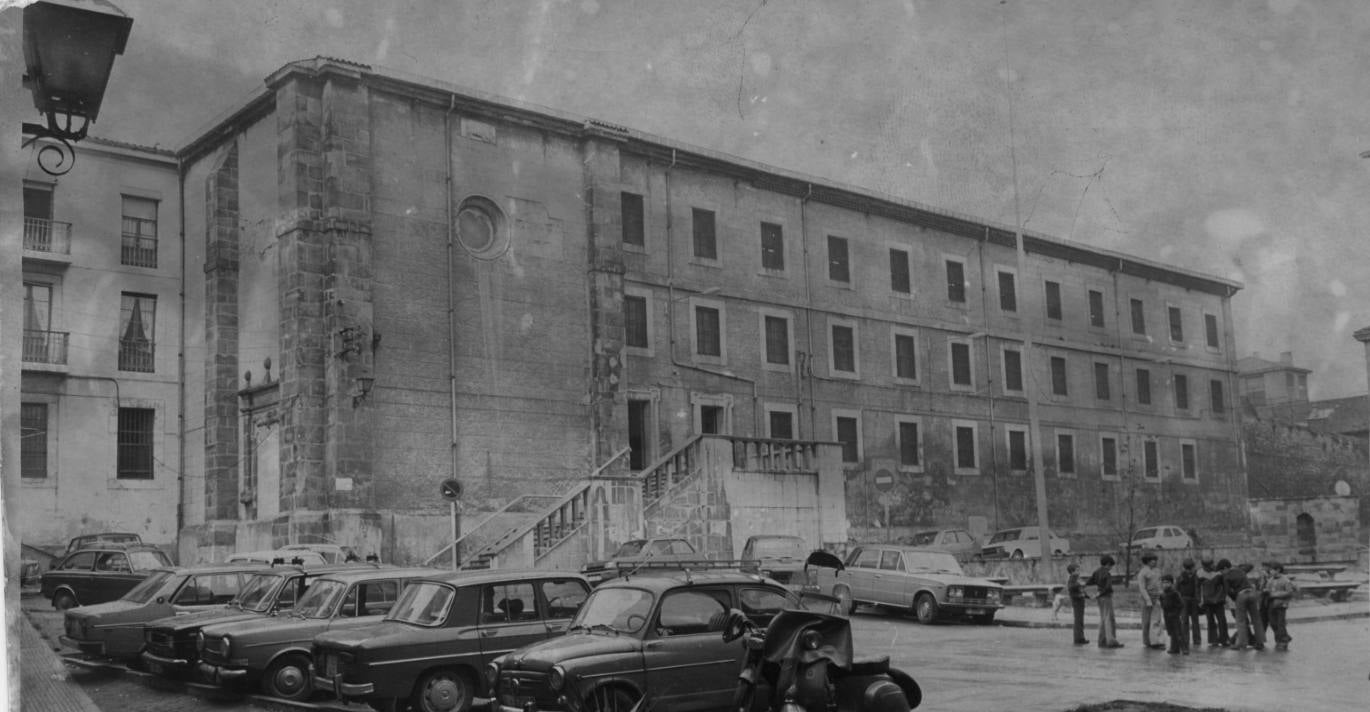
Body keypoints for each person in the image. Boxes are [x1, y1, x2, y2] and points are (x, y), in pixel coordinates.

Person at [1226, 562, 1266, 651]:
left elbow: (1228, 590)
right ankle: (1260, 642)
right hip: (1252, 593)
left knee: (1241, 621)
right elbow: (1250, 565)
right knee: (1256, 619)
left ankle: (1242, 644)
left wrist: (1235, 598)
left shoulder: (1227, 575)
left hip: (1240, 595)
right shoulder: (1241, 572)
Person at [1085, 555, 1123, 648]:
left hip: (1100, 598)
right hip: (1106, 597)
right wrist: (1100, 592)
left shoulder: (1096, 572)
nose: (1111, 568)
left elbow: (1089, 582)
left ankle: (1102, 641)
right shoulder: (1107, 573)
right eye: (1111, 566)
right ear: (1108, 564)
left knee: (1103, 619)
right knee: (1109, 619)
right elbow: (1108, 587)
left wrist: (1096, 593)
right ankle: (1110, 641)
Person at [1136, 553, 1166, 650]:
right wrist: (1147, 600)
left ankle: (1156, 642)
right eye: (1153, 560)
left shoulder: (1157, 571)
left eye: (1155, 560)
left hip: (1156, 598)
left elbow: (1159, 584)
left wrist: (1161, 594)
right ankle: (1147, 641)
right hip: (1146, 599)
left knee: (1156, 620)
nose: (1155, 562)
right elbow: (1142, 588)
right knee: (1146, 621)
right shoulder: (1143, 573)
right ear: (1148, 561)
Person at [1265, 562, 1296, 651]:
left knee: (1280, 623)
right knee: (1272, 623)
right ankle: (1282, 638)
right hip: (1271, 604)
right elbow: (1268, 589)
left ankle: (1282, 641)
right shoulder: (1270, 580)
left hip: (1281, 604)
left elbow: (1289, 592)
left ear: (1278, 570)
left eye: (1272, 570)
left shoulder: (1285, 580)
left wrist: (1275, 594)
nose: (1270, 571)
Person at [1200, 558, 1230, 647]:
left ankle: (1224, 639)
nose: (1211, 566)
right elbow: (1197, 587)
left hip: (1218, 600)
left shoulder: (1219, 573)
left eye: (1211, 564)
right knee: (1210, 620)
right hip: (1207, 601)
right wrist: (1199, 599)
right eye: (1207, 565)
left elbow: (1225, 586)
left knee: (1222, 620)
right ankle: (1213, 640)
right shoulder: (1200, 573)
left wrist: (1224, 597)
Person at [1160, 574, 1189, 655]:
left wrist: (1176, 613)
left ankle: (1184, 649)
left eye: (1167, 582)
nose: (1165, 584)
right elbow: (1163, 604)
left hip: (1175, 616)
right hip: (1167, 616)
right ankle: (1174, 648)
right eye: (1164, 582)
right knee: (1172, 633)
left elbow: (1181, 604)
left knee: (1178, 633)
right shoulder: (1162, 594)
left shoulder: (1175, 593)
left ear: (1172, 583)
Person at [1176, 558, 1202, 648]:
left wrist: (1198, 600)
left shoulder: (1195, 576)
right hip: (1184, 600)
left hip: (1193, 600)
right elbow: (1177, 589)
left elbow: (1198, 588)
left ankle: (1197, 640)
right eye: (1189, 568)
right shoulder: (1181, 577)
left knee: (1195, 620)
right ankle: (1186, 639)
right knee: (1185, 620)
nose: (1190, 570)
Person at [1066, 562, 1089, 645]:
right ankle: (1078, 638)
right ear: (1072, 572)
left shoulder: (1077, 578)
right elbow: (1071, 587)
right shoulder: (1073, 578)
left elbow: (1082, 588)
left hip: (1080, 600)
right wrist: (1079, 584)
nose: (1079, 571)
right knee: (1078, 620)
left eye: (1079, 570)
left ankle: (1081, 637)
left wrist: (1086, 595)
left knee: (1080, 620)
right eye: (1077, 570)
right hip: (1077, 601)